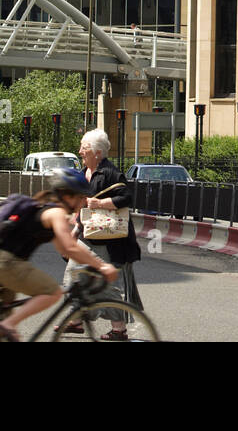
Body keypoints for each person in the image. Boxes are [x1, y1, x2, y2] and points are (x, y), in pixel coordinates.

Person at [0, 168, 118, 342]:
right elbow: (70, 248)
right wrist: (102, 266)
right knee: (52, 293)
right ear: (67, 196)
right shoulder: (56, 213)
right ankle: (8, 324)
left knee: (0, 335)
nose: (84, 201)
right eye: (81, 197)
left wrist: (87, 265)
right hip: (7, 264)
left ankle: (5, 326)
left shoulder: (45, 206)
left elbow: (64, 250)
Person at [59, 129, 141, 340]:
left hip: (110, 241)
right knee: (74, 275)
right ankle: (77, 320)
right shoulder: (84, 174)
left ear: (97, 152)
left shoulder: (110, 173)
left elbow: (126, 198)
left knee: (109, 286)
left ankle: (118, 330)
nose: (80, 152)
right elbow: (82, 209)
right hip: (89, 237)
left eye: (84, 149)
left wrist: (101, 203)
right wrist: (76, 229)